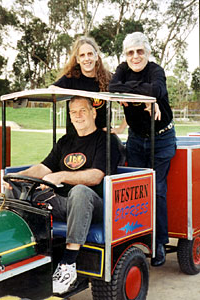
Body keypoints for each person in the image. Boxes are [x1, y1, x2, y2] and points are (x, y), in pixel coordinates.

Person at [5, 96, 120, 294]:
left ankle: (68, 265)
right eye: (73, 112)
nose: (78, 116)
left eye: (83, 110)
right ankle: (21, 255)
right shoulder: (65, 141)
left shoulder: (106, 140)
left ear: (93, 113)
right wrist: (15, 177)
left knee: (80, 191)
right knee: (19, 191)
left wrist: (62, 175)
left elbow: (96, 176)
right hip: (63, 204)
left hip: (95, 205)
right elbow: (43, 168)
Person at [109, 32, 176, 267]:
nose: (135, 56)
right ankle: (136, 240)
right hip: (136, 139)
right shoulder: (121, 69)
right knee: (136, 190)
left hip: (162, 139)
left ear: (147, 52)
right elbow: (112, 86)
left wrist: (135, 92)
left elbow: (155, 90)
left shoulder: (157, 71)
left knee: (156, 189)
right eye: (130, 52)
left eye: (140, 51)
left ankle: (159, 242)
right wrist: (142, 92)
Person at [50, 35, 112, 134]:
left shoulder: (108, 78)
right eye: (82, 55)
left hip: (102, 139)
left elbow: (129, 99)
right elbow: (52, 89)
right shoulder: (70, 79)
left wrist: (121, 128)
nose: (87, 59)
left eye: (90, 54)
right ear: (77, 60)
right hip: (76, 138)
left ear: (96, 56)